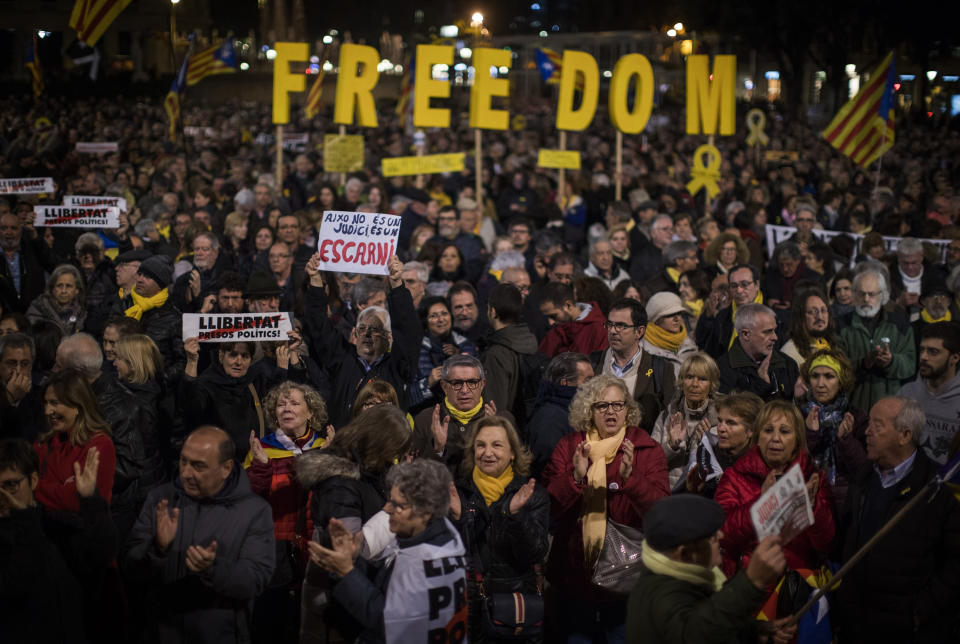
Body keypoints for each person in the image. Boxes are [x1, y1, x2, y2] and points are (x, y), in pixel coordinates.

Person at [542, 374, 669, 643]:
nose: (611, 411)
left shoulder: (646, 449)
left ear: (628, 410)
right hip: (575, 577)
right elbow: (548, 508)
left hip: (626, 582)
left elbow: (661, 514)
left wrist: (631, 480)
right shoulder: (569, 447)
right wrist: (575, 478)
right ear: (589, 410)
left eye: (618, 405)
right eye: (602, 405)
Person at [126, 426, 276, 644]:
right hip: (161, 633)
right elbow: (131, 568)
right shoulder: (161, 500)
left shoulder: (254, 511)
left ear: (226, 468)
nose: (186, 473)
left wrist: (212, 569)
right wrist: (158, 549)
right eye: (183, 461)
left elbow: (254, 579)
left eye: (198, 466)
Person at [835, 397, 960, 643]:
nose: (867, 432)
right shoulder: (862, 479)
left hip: (904, 631)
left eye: (877, 425)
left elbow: (955, 564)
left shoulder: (936, 490)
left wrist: (920, 612)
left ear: (904, 435)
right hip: (856, 624)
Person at [308, 458, 468, 644]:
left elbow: (386, 622)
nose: (387, 510)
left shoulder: (423, 559)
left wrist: (347, 573)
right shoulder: (441, 535)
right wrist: (352, 559)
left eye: (398, 505)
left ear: (426, 511)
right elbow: (388, 578)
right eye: (390, 501)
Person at [296, 405, 413, 644]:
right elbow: (348, 549)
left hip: (358, 587)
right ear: (377, 443)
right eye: (392, 450)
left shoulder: (373, 469)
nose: (393, 458)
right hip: (333, 596)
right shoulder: (339, 482)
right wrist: (390, 510)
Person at [626, 495, 796, 644]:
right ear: (685, 553)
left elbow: (707, 616)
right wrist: (751, 581)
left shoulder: (684, 576)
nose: (721, 536)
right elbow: (695, 635)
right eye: (712, 537)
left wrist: (755, 632)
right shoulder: (663, 597)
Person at [0, 438, 118, 644]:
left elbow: (101, 555)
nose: (3, 496)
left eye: (10, 485)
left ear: (34, 480)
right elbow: (15, 588)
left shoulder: (58, 526)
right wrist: (24, 518)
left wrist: (91, 501)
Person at [449, 416, 550, 643]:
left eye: (497, 445)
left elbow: (534, 552)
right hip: (466, 608)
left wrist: (515, 516)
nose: (487, 453)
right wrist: (458, 518)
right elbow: (453, 556)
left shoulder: (532, 495)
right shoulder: (458, 494)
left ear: (513, 452)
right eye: (481, 445)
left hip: (513, 611)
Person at [245, 381, 329, 644]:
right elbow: (249, 502)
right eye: (281, 404)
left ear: (311, 412)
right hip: (276, 549)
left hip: (315, 547)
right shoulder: (262, 449)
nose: (286, 408)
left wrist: (328, 460)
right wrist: (260, 467)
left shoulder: (325, 446)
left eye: (294, 403)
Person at [714, 401, 835, 577]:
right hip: (749, 583)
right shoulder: (735, 477)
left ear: (797, 439)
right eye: (768, 430)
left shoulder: (812, 477)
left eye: (784, 431)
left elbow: (827, 544)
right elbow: (722, 535)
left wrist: (813, 507)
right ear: (757, 437)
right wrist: (761, 503)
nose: (775, 438)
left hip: (795, 587)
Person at [302, 253, 421, 427]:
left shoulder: (398, 367)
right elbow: (319, 327)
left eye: (374, 330)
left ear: (388, 337)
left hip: (386, 447)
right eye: (362, 329)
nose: (366, 334)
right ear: (355, 334)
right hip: (343, 448)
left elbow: (408, 330)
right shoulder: (342, 360)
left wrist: (396, 283)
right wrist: (315, 280)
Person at [412, 354, 515, 472]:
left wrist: (494, 439)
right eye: (457, 383)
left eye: (472, 382)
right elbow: (415, 475)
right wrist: (438, 449)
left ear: (482, 385)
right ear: (444, 386)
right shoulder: (426, 419)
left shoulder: (503, 420)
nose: (465, 390)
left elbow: (517, 469)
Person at [33, 370, 116, 512]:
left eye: (54, 403)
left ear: (77, 405)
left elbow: (74, 501)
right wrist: (62, 489)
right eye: (46, 403)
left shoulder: (100, 446)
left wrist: (36, 486)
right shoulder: (46, 442)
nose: (47, 411)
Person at [798, 348, 868, 514]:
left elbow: (863, 469)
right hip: (805, 502)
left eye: (829, 376)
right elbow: (793, 465)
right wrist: (810, 434)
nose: (820, 384)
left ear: (841, 380)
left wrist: (846, 440)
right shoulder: (798, 415)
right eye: (815, 376)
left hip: (844, 506)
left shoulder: (857, 418)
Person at [838, 267, 916, 411]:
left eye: (871, 294)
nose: (866, 299)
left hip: (889, 406)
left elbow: (910, 364)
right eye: (861, 294)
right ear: (854, 295)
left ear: (883, 295)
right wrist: (863, 363)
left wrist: (891, 361)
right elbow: (835, 367)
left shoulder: (900, 325)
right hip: (852, 406)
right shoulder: (841, 326)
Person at [650, 353, 721, 489]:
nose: (694, 384)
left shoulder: (719, 420)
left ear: (711, 385)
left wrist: (706, 446)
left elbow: (722, 469)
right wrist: (671, 446)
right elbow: (651, 461)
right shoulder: (667, 415)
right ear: (682, 381)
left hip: (701, 495)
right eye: (689, 377)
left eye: (702, 379)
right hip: (666, 492)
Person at [898, 321, 960, 463]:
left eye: (933, 352)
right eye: (922, 350)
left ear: (955, 358)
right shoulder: (906, 393)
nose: (924, 357)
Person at [527, 352, 594, 479]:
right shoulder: (551, 419)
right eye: (587, 381)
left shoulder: (575, 412)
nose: (593, 387)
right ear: (565, 383)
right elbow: (546, 470)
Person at [119, 254, 186, 382]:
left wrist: (161, 382)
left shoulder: (174, 318)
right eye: (139, 274)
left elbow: (181, 361)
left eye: (147, 277)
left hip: (157, 390)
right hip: (124, 383)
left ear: (160, 284)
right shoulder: (125, 304)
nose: (139, 279)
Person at [685, 393, 763, 498]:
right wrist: (695, 491)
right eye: (720, 421)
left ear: (751, 430)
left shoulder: (762, 466)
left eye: (731, 423)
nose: (721, 428)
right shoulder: (707, 458)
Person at [717, 303, 798, 402]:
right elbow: (732, 412)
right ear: (746, 334)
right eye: (767, 332)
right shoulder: (723, 370)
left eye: (774, 330)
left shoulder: (788, 364)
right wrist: (761, 385)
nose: (775, 337)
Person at [481, 283, 540, 417]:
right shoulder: (530, 341)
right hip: (525, 425)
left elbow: (494, 407)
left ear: (493, 311)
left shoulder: (496, 354)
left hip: (505, 430)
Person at [411, 296, 478, 411]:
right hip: (427, 412)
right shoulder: (416, 350)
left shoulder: (464, 344)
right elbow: (407, 394)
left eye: (444, 313)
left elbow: (477, 380)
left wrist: (459, 357)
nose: (441, 319)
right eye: (433, 316)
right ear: (425, 321)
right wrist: (429, 382)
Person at [695, 264, 764, 360]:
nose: (739, 290)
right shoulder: (722, 317)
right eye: (734, 286)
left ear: (757, 285)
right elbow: (710, 354)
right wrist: (708, 316)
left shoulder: (774, 316)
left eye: (744, 284)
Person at [538, 281, 608, 357]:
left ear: (568, 305)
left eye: (553, 316)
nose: (551, 322)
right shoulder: (555, 330)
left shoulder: (599, 329)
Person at [642, 292, 698, 378]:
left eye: (679, 313)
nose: (676, 319)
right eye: (670, 315)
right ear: (656, 320)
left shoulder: (690, 344)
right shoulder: (642, 348)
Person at [0, 332, 44, 441]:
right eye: (11, 363)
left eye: (24, 364)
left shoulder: (41, 396)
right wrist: (9, 398)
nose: (18, 371)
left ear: (31, 366)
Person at [781, 286, 836, 369]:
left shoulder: (830, 344)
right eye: (812, 312)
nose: (820, 317)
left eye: (823, 310)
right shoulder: (790, 353)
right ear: (801, 317)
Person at [26, 264, 87, 336]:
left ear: (77, 290)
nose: (63, 291)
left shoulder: (83, 313)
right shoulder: (38, 310)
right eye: (59, 286)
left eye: (68, 286)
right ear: (52, 289)